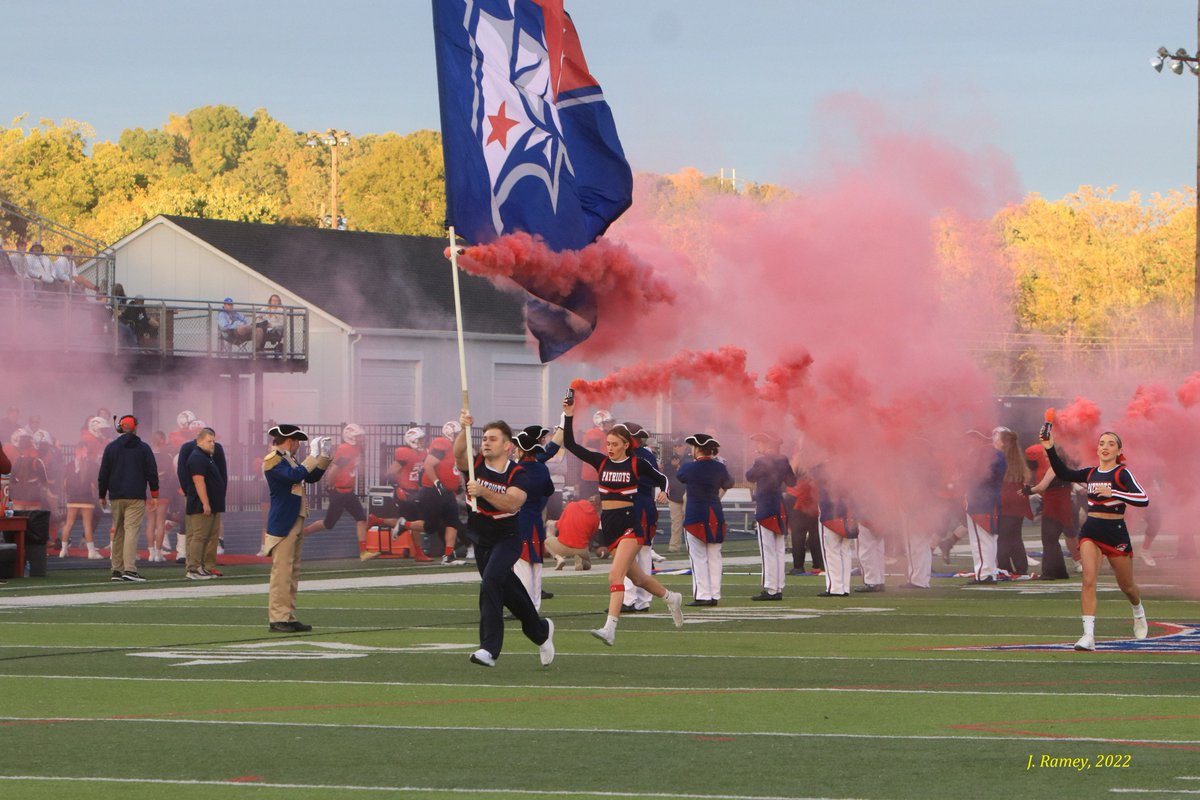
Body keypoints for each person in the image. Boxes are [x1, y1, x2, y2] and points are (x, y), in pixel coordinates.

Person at [561, 396, 683, 645]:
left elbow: (662, 478)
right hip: (610, 524)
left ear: (627, 445)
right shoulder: (601, 461)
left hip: (631, 523)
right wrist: (569, 415)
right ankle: (671, 597)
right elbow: (571, 444)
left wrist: (664, 492)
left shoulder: (637, 464)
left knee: (614, 575)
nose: (610, 448)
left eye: (615, 444)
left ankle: (610, 628)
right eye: (608, 443)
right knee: (637, 578)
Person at [452, 411, 555, 668]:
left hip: (507, 536)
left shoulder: (518, 472)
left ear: (507, 445)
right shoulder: (475, 465)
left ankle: (488, 649)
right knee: (508, 591)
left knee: (490, 583)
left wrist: (483, 491)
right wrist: (464, 429)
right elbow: (458, 454)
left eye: (493, 439)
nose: (486, 442)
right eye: (484, 438)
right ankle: (541, 631)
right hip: (480, 536)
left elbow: (512, 503)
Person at [1042, 428, 1150, 651]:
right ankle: (1088, 636)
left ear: (1119, 450)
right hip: (1091, 529)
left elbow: (1143, 498)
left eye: (1111, 444)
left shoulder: (1122, 474)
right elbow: (1064, 473)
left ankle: (1138, 611)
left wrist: (1115, 493)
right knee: (1088, 580)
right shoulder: (1091, 473)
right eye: (1102, 443)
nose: (1105, 447)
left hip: (1116, 531)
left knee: (1127, 586)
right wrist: (1050, 448)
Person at [263, 425, 332, 632]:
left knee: (292, 571)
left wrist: (324, 457)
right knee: (282, 572)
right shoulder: (273, 459)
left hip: (295, 517)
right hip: (283, 521)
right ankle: (278, 618)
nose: (298, 445)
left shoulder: (288, 460)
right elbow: (294, 476)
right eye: (296, 441)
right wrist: (312, 456)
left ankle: (288, 615)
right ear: (288, 440)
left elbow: (310, 476)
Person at [302, 423, 379, 561]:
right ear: (350, 437)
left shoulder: (355, 449)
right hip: (339, 492)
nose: (361, 439)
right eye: (358, 437)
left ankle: (363, 552)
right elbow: (334, 470)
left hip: (348, 492)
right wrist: (330, 486)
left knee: (361, 519)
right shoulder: (346, 449)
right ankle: (302, 533)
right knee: (328, 524)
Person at [97, 414, 159, 583]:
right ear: (135, 427)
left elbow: (103, 473)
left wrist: (102, 494)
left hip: (116, 496)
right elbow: (152, 472)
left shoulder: (111, 448)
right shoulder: (144, 448)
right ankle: (130, 570)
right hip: (136, 496)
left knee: (118, 531)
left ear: (120, 428)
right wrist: (154, 494)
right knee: (131, 530)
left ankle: (116, 569)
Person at [677, 433, 734, 606]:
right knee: (715, 557)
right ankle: (715, 594)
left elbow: (680, 476)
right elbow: (729, 483)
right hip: (715, 513)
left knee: (698, 558)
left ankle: (703, 595)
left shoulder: (690, 467)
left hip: (696, 514)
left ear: (697, 449)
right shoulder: (720, 467)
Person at [746, 432, 796, 600]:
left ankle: (770, 589)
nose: (757, 446)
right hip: (779, 505)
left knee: (768, 550)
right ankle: (778, 587)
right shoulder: (783, 459)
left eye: (759, 443)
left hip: (766, 506)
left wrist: (759, 459)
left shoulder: (762, 460)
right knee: (779, 550)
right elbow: (792, 482)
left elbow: (749, 476)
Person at [621, 422, 666, 613]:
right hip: (646, 506)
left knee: (628, 554)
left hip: (633, 507)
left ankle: (629, 599)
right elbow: (661, 478)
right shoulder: (648, 455)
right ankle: (643, 600)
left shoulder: (630, 456)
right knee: (644, 554)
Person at [511, 425, 557, 610]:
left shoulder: (516, 470)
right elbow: (549, 490)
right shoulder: (542, 469)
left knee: (521, 565)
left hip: (520, 519)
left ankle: (524, 607)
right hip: (536, 519)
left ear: (522, 449)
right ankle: (534, 605)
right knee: (536, 565)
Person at [1025, 443, 1080, 580]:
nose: (1047, 459)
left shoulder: (1054, 468)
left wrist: (1029, 490)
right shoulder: (1066, 467)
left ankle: (1049, 572)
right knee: (1054, 540)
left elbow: (1042, 486)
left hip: (1054, 506)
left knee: (1049, 540)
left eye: (1047, 456)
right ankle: (1060, 572)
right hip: (1064, 506)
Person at [181, 427, 226, 579]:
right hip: (200, 505)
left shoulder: (206, 456)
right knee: (199, 536)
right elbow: (199, 482)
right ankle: (193, 568)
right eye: (209, 441)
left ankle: (201, 567)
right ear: (199, 441)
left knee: (206, 536)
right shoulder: (197, 457)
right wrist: (205, 503)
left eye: (213, 441)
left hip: (211, 503)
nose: (212, 444)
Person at [417, 427, 466, 565]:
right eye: (457, 434)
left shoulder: (455, 449)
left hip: (448, 492)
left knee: (453, 522)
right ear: (450, 434)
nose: (459, 437)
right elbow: (428, 464)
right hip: (434, 490)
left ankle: (448, 555)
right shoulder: (442, 443)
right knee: (431, 526)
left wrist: (459, 480)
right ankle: (404, 524)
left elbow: (452, 468)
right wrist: (438, 483)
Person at [963, 430, 1005, 584]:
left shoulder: (981, 454)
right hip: (992, 499)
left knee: (980, 540)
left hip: (979, 501)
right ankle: (990, 571)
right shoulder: (998, 453)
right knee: (990, 539)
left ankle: (984, 573)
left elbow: (975, 477)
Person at [993, 427, 1033, 576]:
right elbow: (1026, 478)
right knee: (1016, 536)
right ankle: (1021, 566)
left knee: (1002, 537)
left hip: (1005, 502)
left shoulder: (1000, 459)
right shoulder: (1018, 459)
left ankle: (1004, 567)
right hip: (1019, 502)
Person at [59, 444, 102, 559]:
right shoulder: (92, 466)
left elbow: (64, 483)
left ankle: (63, 550)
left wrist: (69, 493)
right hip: (87, 500)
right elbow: (95, 484)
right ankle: (91, 552)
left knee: (69, 524)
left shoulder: (69, 465)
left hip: (72, 499)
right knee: (87, 525)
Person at [545, 496, 598, 570]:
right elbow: (592, 534)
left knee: (546, 542)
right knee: (587, 565)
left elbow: (560, 525)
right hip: (581, 548)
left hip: (564, 546)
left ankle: (558, 558)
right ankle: (579, 559)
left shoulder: (571, 505)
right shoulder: (595, 517)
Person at [660, 439, 689, 552]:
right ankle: (674, 546)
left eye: (680, 445)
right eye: (675, 446)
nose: (677, 448)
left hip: (687, 493)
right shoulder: (670, 460)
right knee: (675, 523)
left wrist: (678, 467)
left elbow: (689, 473)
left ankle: (691, 545)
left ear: (685, 446)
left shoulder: (690, 458)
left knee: (689, 522)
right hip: (674, 495)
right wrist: (671, 467)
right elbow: (666, 475)